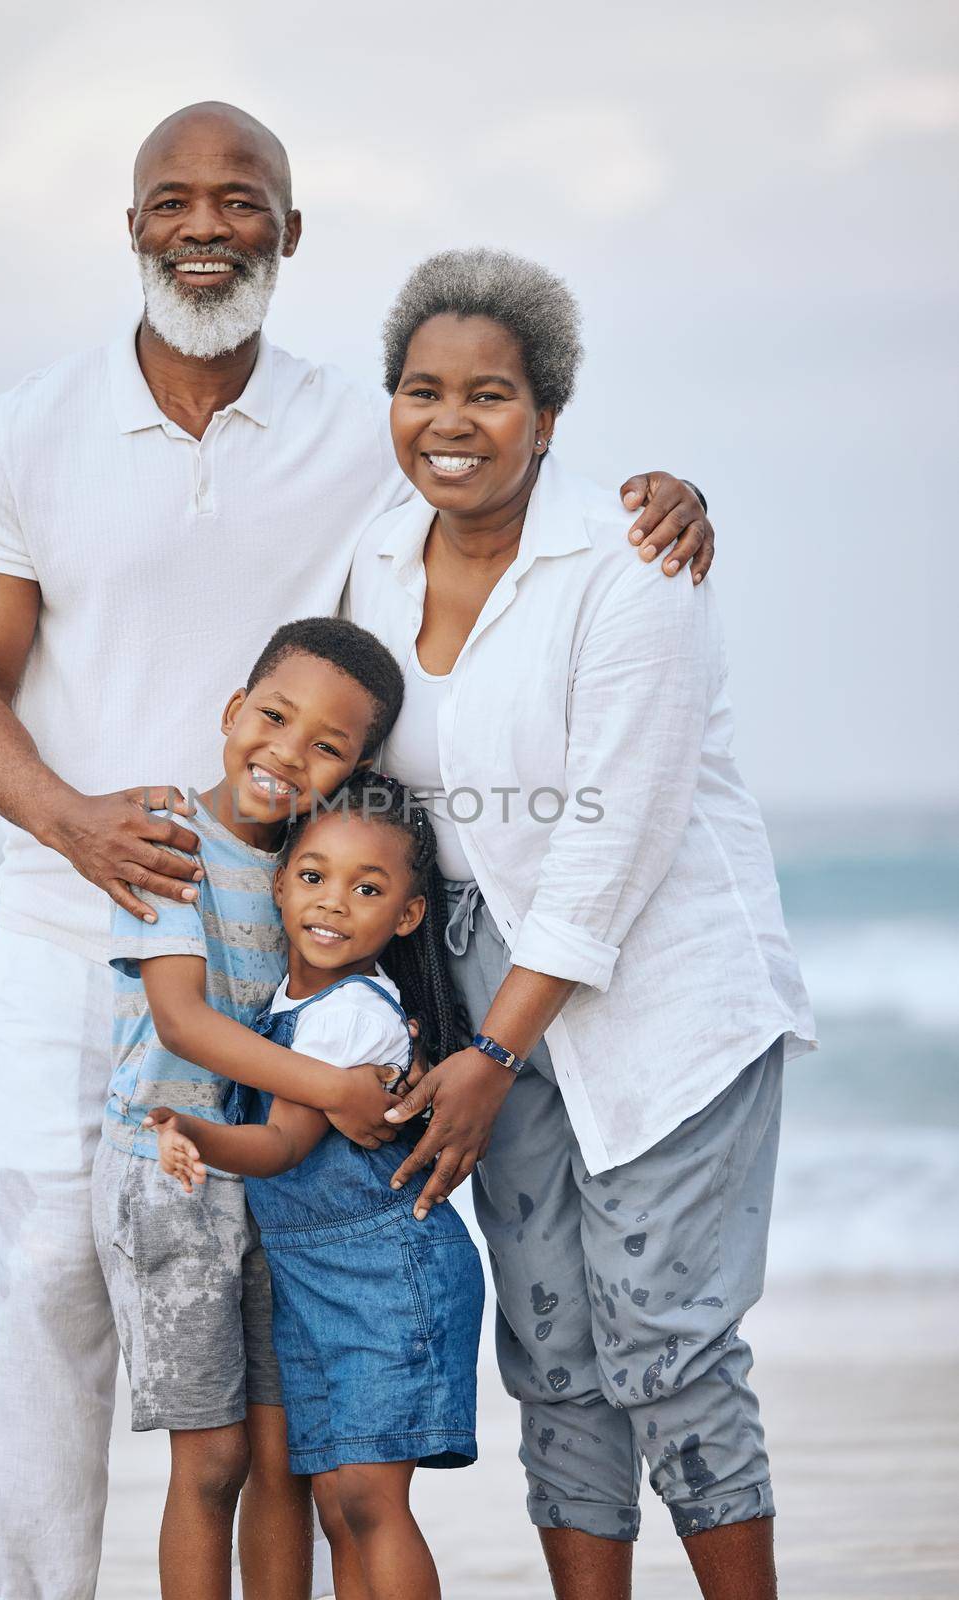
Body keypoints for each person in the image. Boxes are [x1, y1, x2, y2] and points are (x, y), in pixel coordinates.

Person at [0, 97, 715, 1600]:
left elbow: (500, 469)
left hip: (301, 955)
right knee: (43, 1283)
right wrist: (74, 821)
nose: (205, 225)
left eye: (241, 202)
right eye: (174, 199)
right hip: (77, 923)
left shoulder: (362, 430)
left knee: (269, 1377)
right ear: (134, 223)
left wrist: (660, 502)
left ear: (288, 234)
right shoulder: (25, 429)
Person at [343, 249, 817, 1600]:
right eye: (421, 391)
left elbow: (613, 837)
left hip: (658, 996)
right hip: (477, 1004)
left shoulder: (632, 563)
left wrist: (490, 1058)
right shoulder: (371, 557)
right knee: (552, 1358)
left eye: (487, 394)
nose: (449, 421)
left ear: (547, 416)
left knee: (665, 1343)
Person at [92, 616, 419, 1600]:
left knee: (282, 1457)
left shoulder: (312, 875)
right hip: (170, 1176)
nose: (287, 752)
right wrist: (336, 1092)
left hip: (276, 1186)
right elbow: (182, 1020)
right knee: (214, 1459)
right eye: (274, 718)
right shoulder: (165, 837)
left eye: (328, 745)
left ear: (352, 770)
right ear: (234, 712)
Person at [151, 775, 485, 1600]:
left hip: (385, 1276)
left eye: (366, 889)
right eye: (313, 877)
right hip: (315, 1280)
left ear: (406, 916)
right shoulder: (287, 1004)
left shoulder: (350, 1019)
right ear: (278, 883)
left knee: (371, 1501)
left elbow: (279, 1144)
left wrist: (192, 1130)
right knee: (338, 1502)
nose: (333, 903)